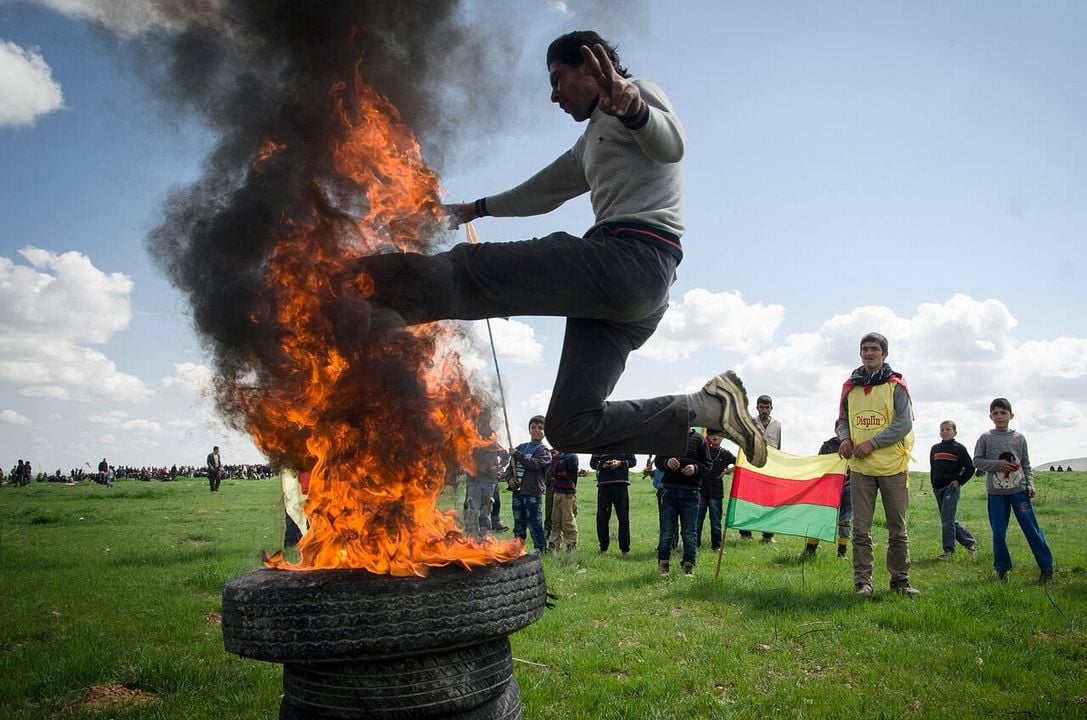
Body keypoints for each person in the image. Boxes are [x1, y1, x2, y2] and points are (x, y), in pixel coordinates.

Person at [336, 30, 766, 468]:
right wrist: (474, 209)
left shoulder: (639, 95)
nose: (554, 95)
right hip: (631, 294)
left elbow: (671, 145)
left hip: (628, 258)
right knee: (570, 424)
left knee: (474, 270)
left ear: (590, 65)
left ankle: (353, 286)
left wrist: (634, 108)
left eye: (558, 78)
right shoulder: (592, 140)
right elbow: (542, 191)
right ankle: (707, 407)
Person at [835, 333, 918, 597]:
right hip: (861, 470)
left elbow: (904, 423)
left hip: (893, 467)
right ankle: (863, 583)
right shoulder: (850, 386)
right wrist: (845, 438)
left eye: (874, 349)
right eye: (864, 349)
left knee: (897, 529)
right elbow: (841, 420)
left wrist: (872, 443)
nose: (869, 353)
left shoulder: (897, 385)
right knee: (861, 529)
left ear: (884, 354)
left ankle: (900, 582)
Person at [973, 398, 1054, 583]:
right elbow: (976, 461)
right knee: (999, 532)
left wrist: (1030, 484)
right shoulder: (985, 438)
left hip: (1019, 492)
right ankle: (1002, 569)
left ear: (1011, 415)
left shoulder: (1019, 438)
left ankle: (1047, 567)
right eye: (995, 413)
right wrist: (998, 464)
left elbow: (1025, 464)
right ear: (990, 416)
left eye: (1003, 413)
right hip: (996, 493)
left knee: (1031, 529)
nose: (999, 416)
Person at [654, 429, 711, 576]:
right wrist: (666, 462)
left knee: (689, 532)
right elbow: (659, 461)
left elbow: (707, 464)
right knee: (667, 531)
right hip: (670, 491)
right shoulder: (668, 437)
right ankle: (663, 564)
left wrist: (695, 468)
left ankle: (688, 567)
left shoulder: (699, 440)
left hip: (691, 493)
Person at [929, 420, 978, 559]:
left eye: (948, 429)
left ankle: (948, 551)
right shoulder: (935, 448)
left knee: (947, 519)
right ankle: (970, 543)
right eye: (942, 429)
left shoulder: (959, 448)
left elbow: (970, 467)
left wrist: (959, 481)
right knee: (948, 518)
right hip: (937, 488)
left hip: (951, 487)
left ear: (954, 432)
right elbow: (933, 467)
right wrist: (933, 483)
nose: (945, 432)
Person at [506, 415, 552, 554]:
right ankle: (518, 548)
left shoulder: (543, 451)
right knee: (518, 522)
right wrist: (510, 479)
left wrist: (518, 455)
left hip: (532, 492)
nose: (536, 430)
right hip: (517, 491)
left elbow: (535, 465)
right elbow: (509, 467)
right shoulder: (521, 447)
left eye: (540, 428)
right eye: (533, 427)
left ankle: (541, 548)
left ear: (545, 432)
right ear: (529, 430)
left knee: (534, 522)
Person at [801, 436, 853, 558]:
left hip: (848, 487)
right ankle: (810, 551)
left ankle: (842, 554)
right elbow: (820, 466)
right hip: (828, 488)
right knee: (819, 518)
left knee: (845, 520)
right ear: (836, 430)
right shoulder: (827, 445)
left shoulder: (855, 444)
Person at [740, 395, 781, 542]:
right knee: (749, 500)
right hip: (753, 468)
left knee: (770, 501)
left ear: (771, 408)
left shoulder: (777, 425)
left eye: (767, 407)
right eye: (761, 407)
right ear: (757, 408)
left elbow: (778, 448)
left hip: (770, 469)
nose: (764, 410)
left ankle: (768, 535)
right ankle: (745, 533)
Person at [589, 453, 637, 555]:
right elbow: (593, 463)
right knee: (602, 518)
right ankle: (603, 548)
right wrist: (603, 465)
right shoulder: (600, 442)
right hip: (604, 486)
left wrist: (620, 463)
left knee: (623, 518)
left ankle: (625, 549)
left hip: (621, 485)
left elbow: (633, 462)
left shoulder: (625, 443)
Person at [697, 431, 736, 552]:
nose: (715, 437)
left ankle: (717, 546)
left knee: (715, 521)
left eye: (718, 435)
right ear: (707, 436)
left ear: (723, 437)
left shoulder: (725, 453)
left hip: (716, 492)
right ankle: (694, 545)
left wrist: (727, 471)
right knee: (697, 520)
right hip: (701, 490)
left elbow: (739, 464)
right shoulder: (704, 451)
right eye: (712, 434)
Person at [464, 441, 508, 540]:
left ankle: (485, 537)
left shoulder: (492, 441)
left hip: (489, 481)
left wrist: (498, 466)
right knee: (472, 509)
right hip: (473, 480)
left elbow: (506, 456)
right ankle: (472, 537)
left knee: (486, 510)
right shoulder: (470, 440)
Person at [547, 450, 580, 553]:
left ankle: (571, 545)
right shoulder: (557, 456)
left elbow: (571, 475)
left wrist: (558, 470)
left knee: (568, 520)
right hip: (557, 491)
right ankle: (554, 544)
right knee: (555, 520)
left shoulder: (572, 456)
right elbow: (551, 472)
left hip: (567, 493)